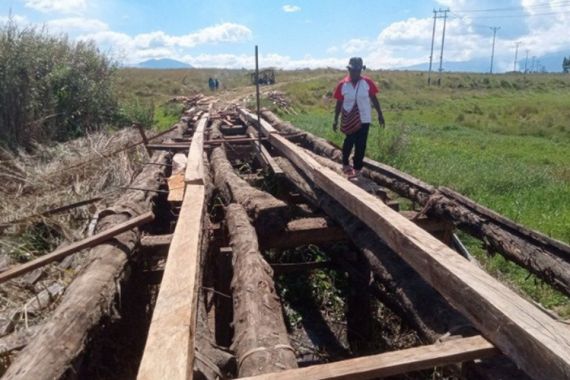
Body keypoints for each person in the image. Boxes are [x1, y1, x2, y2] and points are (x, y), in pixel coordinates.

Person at [333, 57, 385, 177]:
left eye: (357, 70)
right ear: (349, 70)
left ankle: (357, 168)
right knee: (349, 141)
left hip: (364, 118)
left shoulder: (367, 82)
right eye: (353, 70)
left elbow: (374, 99)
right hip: (349, 118)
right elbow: (339, 103)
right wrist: (335, 119)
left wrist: (380, 114)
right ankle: (345, 163)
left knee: (361, 144)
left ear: (361, 70)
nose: (355, 73)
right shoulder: (343, 84)